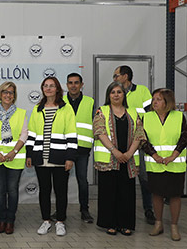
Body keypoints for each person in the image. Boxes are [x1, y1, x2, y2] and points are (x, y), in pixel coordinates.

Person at [93, 81, 145, 236]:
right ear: (108, 95)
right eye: (113, 92)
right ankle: (110, 224)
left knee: (127, 193)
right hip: (108, 160)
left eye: (119, 92)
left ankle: (126, 224)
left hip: (128, 160)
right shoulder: (101, 111)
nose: (116, 95)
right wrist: (114, 151)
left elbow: (139, 134)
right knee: (108, 193)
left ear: (124, 95)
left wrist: (129, 153)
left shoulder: (134, 113)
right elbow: (100, 132)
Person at [26, 77, 76, 236]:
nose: (48, 88)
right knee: (44, 191)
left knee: (61, 191)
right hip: (41, 158)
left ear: (57, 89)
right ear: (42, 89)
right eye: (45, 86)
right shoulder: (37, 109)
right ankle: (46, 220)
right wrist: (29, 154)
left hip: (60, 158)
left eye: (51, 86)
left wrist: (70, 157)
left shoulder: (66, 109)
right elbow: (32, 133)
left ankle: (60, 221)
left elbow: (71, 134)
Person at [143, 89, 187, 241]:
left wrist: (173, 155)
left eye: (159, 99)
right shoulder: (146, 117)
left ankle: (174, 226)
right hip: (155, 163)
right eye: (154, 99)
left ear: (167, 102)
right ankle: (158, 223)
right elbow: (143, 139)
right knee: (157, 194)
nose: (155, 102)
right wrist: (154, 155)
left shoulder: (179, 116)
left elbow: (184, 138)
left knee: (175, 195)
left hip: (175, 164)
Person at [113, 65, 156, 225]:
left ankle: (148, 209)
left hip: (141, 143)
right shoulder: (116, 92)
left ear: (125, 76)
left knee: (144, 178)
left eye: (116, 75)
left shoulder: (142, 91)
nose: (115, 79)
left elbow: (152, 113)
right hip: (122, 144)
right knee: (124, 179)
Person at [0, 81, 27, 235]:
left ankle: (10, 220)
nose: (8, 95)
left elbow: (24, 134)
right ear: (0, 95)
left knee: (13, 190)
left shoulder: (21, 113)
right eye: (5, 92)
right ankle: (2, 219)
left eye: (11, 92)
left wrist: (14, 152)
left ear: (14, 96)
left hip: (14, 158)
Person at [62, 73, 95, 223]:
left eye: (76, 83)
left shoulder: (90, 102)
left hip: (82, 148)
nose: (73, 85)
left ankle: (84, 210)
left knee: (82, 180)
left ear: (82, 84)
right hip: (63, 147)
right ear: (66, 85)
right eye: (70, 83)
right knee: (61, 181)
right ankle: (61, 210)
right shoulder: (60, 101)